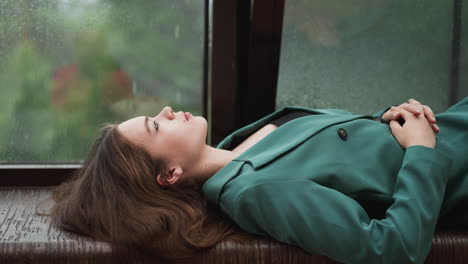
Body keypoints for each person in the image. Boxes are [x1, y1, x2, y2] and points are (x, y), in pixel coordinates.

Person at [47, 97, 468, 264]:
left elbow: (346, 155)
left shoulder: (239, 146)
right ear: (170, 175)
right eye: (156, 126)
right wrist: (419, 150)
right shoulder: (251, 192)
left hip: (454, 122)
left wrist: (393, 118)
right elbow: (392, 247)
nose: (168, 110)